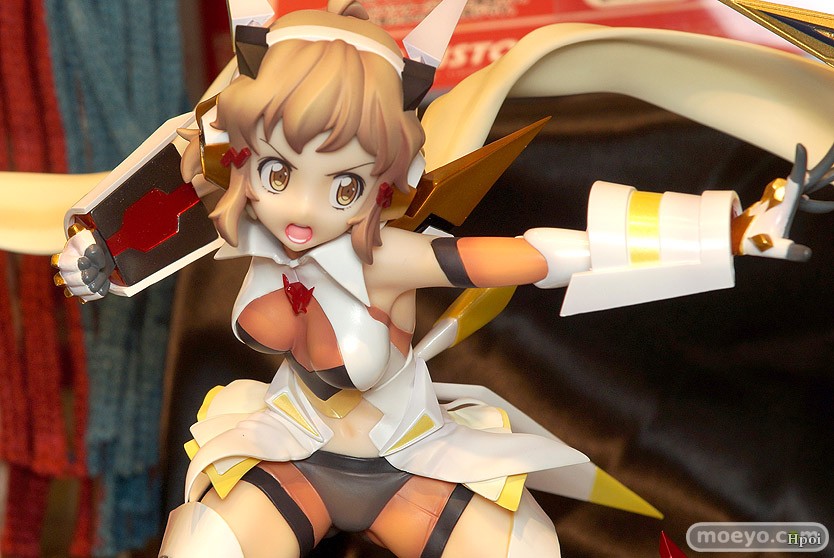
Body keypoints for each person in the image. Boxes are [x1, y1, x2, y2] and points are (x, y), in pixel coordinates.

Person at [53, 1, 834, 556]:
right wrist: (89, 259)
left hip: (406, 472)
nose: (303, 211)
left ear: (386, 181)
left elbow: (544, 254)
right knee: (202, 546)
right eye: (279, 172)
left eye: (345, 185)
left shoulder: (391, 259)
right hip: (293, 464)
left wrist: (729, 231)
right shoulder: (240, 228)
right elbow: (133, 236)